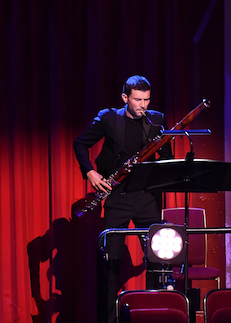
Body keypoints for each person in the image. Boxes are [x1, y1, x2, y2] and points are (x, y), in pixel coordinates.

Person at [73, 75, 173, 323]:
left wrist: (162, 156)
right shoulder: (108, 117)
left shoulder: (157, 119)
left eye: (147, 100)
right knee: (110, 262)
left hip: (147, 196)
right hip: (116, 196)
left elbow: (167, 159)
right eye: (138, 100)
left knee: (157, 259)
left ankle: (155, 314)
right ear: (125, 98)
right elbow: (80, 143)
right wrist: (90, 172)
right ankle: (108, 319)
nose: (143, 105)